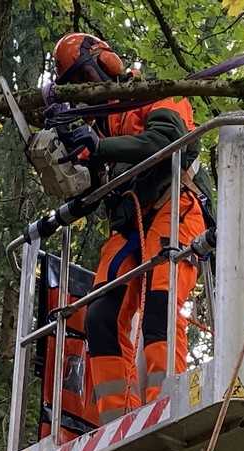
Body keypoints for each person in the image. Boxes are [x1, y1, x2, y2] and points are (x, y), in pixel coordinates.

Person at [52, 32, 213, 424]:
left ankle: (165, 405)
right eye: (76, 83)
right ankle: (117, 419)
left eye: (85, 75)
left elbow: (165, 139)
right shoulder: (101, 125)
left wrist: (98, 148)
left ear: (105, 61)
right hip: (130, 225)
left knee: (160, 299)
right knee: (99, 316)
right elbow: (93, 181)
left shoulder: (157, 93)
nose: (85, 87)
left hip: (175, 207)